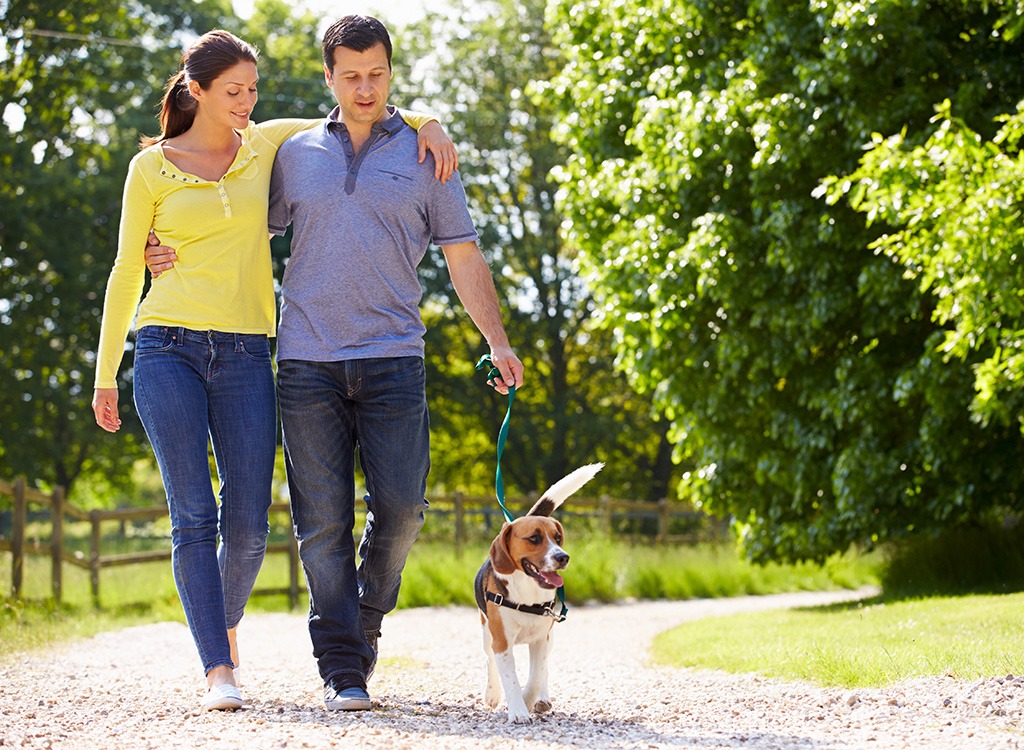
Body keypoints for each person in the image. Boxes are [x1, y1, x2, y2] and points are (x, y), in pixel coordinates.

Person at [92, 29, 456, 712]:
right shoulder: (151, 170)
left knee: (252, 522)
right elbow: (123, 269)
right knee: (195, 514)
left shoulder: (265, 145)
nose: (246, 102)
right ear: (196, 90)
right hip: (166, 345)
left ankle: (221, 624)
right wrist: (105, 372)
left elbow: (363, 109)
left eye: (252, 91)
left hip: (247, 352)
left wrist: (428, 121)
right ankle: (218, 667)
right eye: (233, 92)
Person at [269, 15, 523, 712]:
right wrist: (162, 246)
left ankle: (365, 625)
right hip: (306, 362)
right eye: (349, 75)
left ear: (391, 72)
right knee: (321, 523)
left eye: (376, 74)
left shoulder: (425, 153)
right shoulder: (292, 154)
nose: (364, 87)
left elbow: (463, 253)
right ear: (327, 76)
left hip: (392, 359)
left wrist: (497, 339)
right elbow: (235, 228)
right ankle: (342, 666)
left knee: (405, 509)